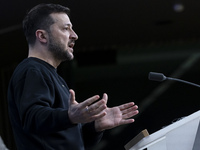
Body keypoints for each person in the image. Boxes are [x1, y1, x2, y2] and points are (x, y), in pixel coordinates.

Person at [7, 3, 139, 150]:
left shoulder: (52, 76)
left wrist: (95, 126)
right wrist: (69, 117)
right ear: (42, 36)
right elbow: (32, 119)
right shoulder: (32, 71)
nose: (74, 35)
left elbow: (72, 141)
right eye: (66, 28)